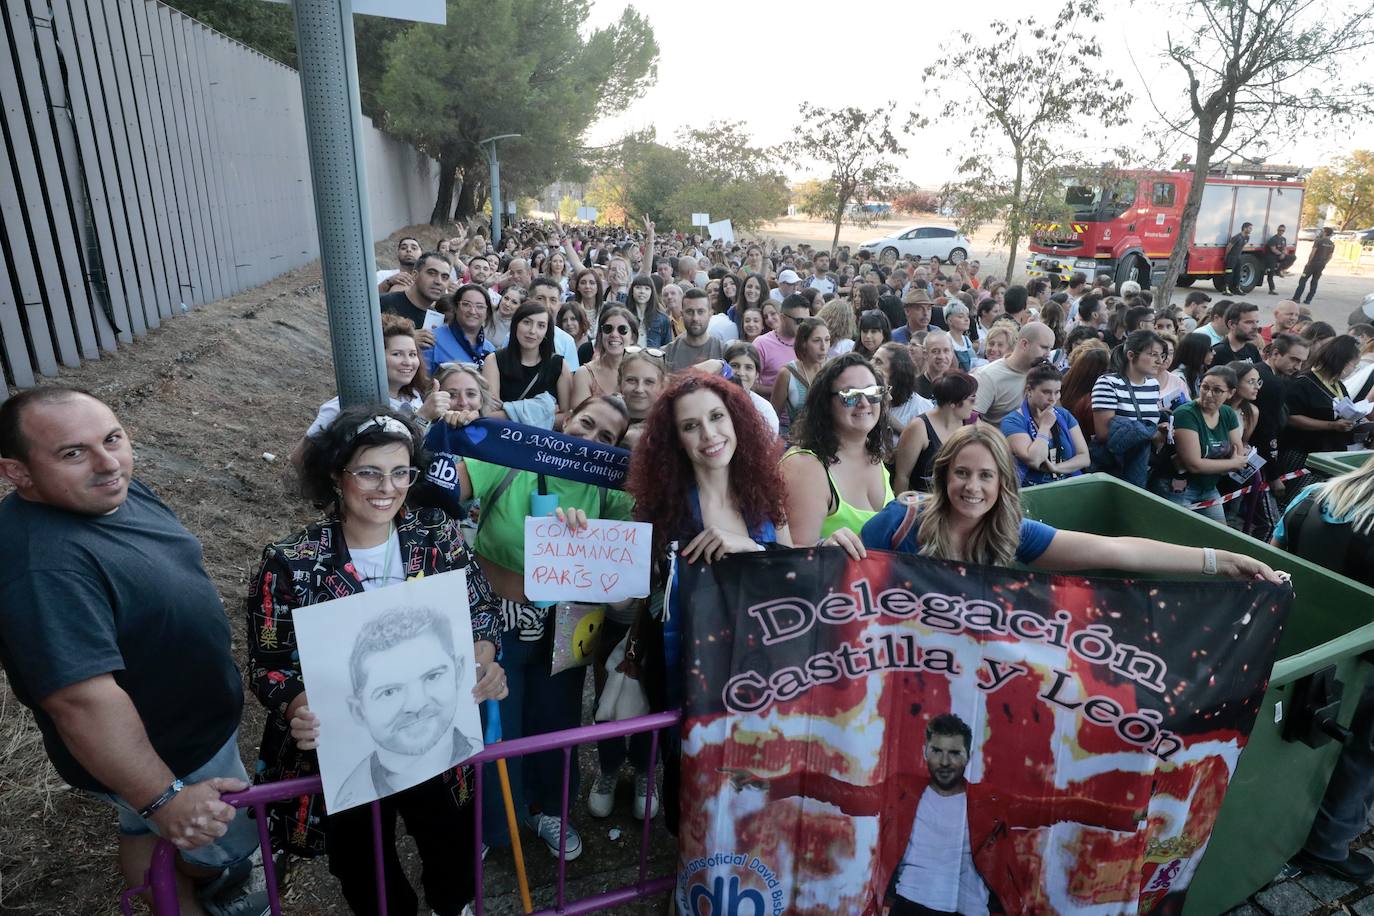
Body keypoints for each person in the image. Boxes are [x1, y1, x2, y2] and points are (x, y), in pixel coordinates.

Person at [0, 388, 267, 916]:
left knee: (141, 826)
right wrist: (164, 800)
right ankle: (198, 892)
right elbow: (80, 700)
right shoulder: (42, 568)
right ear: (18, 472)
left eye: (113, 439)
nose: (107, 464)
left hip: (188, 728)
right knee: (218, 844)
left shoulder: (106, 490)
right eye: (72, 452)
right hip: (168, 753)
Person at [248, 407, 505, 914]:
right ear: (335, 476)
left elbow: (482, 611)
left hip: (439, 740)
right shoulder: (291, 562)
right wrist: (297, 705)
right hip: (347, 754)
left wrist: (484, 656)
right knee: (366, 870)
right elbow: (269, 663)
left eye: (400, 471)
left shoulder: (437, 536)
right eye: (369, 471)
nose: (386, 487)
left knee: (452, 846)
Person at [421, 396, 633, 861]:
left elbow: (623, 580)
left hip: (571, 622)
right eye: (586, 423)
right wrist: (445, 433)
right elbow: (446, 487)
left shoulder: (611, 495)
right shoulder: (513, 458)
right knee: (494, 723)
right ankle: (492, 824)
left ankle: (548, 810)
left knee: (555, 722)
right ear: (565, 419)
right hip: (496, 618)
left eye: (606, 439)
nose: (590, 440)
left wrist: (588, 543)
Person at [726, 710, 1141, 916]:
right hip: (911, 904)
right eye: (937, 751)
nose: (944, 761)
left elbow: (1060, 808)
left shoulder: (992, 800)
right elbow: (837, 792)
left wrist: (1127, 817)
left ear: (967, 755)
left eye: (953, 752)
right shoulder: (901, 790)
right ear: (925, 751)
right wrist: (770, 784)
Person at [857, 424, 1284, 583]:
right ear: (945, 475)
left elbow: (1115, 551)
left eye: (986, 475)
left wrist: (1222, 560)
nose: (973, 487)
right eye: (962, 474)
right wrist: (834, 546)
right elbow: (835, 581)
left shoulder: (1010, 531)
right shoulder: (901, 522)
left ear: (1003, 483)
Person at [1273, 454, 1374, 882]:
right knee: (1363, 755)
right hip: (1364, 664)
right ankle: (1327, 844)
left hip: (1295, 645)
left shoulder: (1312, 495)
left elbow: (1274, 557)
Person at [294, 317, 450, 466]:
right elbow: (299, 458)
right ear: (374, 357)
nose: (408, 362)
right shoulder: (347, 404)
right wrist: (423, 417)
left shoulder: (414, 397)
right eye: (397, 354)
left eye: (412, 354)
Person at [779, 352, 895, 544]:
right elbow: (794, 557)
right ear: (825, 404)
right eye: (849, 395)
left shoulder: (873, 453)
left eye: (872, 392)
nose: (864, 403)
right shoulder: (804, 466)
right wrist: (824, 547)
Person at [1159, 365, 1246, 521]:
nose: (1208, 394)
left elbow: (1237, 451)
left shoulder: (1227, 413)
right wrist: (1231, 464)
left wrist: (1231, 461)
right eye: (1204, 387)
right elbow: (1194, 464)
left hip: (1209, 487)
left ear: (1231, 393)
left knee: (1219, 535)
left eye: (1217, 390)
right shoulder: (1186, 414)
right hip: (1179, 488)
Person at [1091, 329, 1167, 488]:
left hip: (1142, 462)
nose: (1159, 361)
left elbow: (1148, 423)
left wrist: (1159, 429)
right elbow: (1104, 433)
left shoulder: (1153, 385)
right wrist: (1151, 432)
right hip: (1114, 465)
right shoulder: (1108, 383)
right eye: (1153, 354)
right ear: (1131, 355)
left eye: (1162, 355)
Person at [481, 300, 572, 427]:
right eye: (527, 322)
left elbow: (567, 417)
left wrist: (508, 410)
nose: (532, 331)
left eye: (541, 325)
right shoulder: (494, 360)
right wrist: (543, 409)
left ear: (547, 331)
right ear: (516, 324)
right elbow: (490, 415)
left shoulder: (560, 365)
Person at [1279, 334, 1361, 472]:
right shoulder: (1303, 383)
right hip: (1302, 453)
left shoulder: (1338, 385)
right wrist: (1331, 425)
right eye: (1354, 365)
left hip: (1329, 452)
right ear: (1342, 362)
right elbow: (1292, 418)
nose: (1354, 370)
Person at [1000, 364, 1089, 487]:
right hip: (1032, 491)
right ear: (1029, 390)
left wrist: (1056, 468)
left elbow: (1084, 457)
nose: (1052, 399)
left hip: (1068, 486)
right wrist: (1045, 427)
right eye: (1046, 392)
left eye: (1057, 392)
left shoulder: (1064, 415)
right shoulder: (1012, 421)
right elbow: (1035, 460)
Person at [893, 371, 978, 493]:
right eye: (972, 398)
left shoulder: (972, 423)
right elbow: (902, 476)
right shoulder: (918, 428)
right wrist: (903, 509)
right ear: (953, 402)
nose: (975, 403)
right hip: (925, 503)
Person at [972, 323, 1055, 424]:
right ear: (1024, 344)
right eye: (1044, 347)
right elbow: (971, 420)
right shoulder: (988, 375)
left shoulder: (1043, 373)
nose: (1048, 354)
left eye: (1050, 349)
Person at [771, 317, 830, 438]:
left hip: (831, 442)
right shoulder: (787, 374)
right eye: (816, 340)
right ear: (803, 343)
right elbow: (773, 417)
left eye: (827, 340)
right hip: (800, 444)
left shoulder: (832, 370)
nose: (823, 347)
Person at [379, 251, 448, 350]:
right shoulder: (383, 303)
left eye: (444, 277)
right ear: (415, 275)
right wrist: (408, 340)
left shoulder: (435, 317)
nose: (438, 281)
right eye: (432, 273)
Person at [571, 306, 638, 404]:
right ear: (600, 335)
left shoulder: (643, 373)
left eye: (622, 329)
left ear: (632, 337)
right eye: (608, 329)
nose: (614, 334)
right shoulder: (585, 374)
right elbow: (580, 416)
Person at [426, 283, 496, 372]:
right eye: (466, 304)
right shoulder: (432, 339)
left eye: (480, 306)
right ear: (455, 307)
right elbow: (423, 382)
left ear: (487, 313)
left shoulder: (490, 349)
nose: (472, 311)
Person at [753, 294, 813, 396]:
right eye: (799, 321)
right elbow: (751, 385)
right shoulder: (761, 344)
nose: (804, 326)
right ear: (783, 318)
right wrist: (784, 389)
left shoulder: (810, 341)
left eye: (807, 321)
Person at [874, 342, 933, 444]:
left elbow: (927, 446)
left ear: (897, 371)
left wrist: (887, 417)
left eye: (878, 362)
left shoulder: (921, 407)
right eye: (873, 359)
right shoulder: (866, 400)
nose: (870, 365)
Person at [723, 340, 781, 434]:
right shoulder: (713, 401)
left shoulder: (764, 409)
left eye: (748, 367)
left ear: (757, 374)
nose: (741, 373)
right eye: (735, 366)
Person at [618, 347, 669, 450]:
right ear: (619, 381)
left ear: (663, 386)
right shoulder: (607, 417)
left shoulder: (669, 426)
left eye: (649, 382)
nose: (639, 389)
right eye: (631, 380)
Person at [663, 289, 726, 371]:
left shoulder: (724, 351)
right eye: (689, 312)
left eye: (700, 312)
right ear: (682, 315)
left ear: (710, 314)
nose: (695, 318)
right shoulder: (667, 353)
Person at [627, 275, 673, 348]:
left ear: (652, 292)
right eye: (638, 287)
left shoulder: (663, 319)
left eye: (647, 288)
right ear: (632, 290)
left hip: (653, 358)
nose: (642, 291)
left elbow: (668, 347)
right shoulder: (624, 316)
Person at [1294, 227, 1336, 305]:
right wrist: (1324, 263)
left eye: (1322, 231)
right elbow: (1330, 256)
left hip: (1312, 264)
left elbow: (1313, 252)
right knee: (1314, 282)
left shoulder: (1318, 241)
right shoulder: (1332, 244)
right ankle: (1308, 300)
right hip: (1321, 265)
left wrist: (1308, 262)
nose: (1321, 233)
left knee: (1303, 280)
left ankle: (1296, 298)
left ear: (1325, 233)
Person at [1172, 331, 1215, 399]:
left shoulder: (1199, 372)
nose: (1214, 352)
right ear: (1197, 351)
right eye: (1210, 349)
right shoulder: (1178, 377)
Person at [915, 330, 955, 400]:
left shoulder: (959, 385)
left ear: (952, 353)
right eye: (935, 351)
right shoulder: (914, 388)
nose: (941, 356)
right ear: (925, 354)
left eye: (946, 351)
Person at [1224, 222, 1252, 294]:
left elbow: (1242, 247)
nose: (1251, 230)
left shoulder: (1247, 238)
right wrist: (1226, 256)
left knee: (1238, 273)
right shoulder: (1237, 237)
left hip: (1238, 258)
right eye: (1250, 228)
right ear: (1245, 228)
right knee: (1229, 273)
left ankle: (1236, 289)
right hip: (1231, 258)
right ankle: (1226, 289)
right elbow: (1229, 247)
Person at [1263, 224, 1289, 294]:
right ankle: (1272, 290)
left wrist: (1283, 254)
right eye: (1280, 230)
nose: (1281, 232)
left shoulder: (1283, 239)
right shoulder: (1273, 239)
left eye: (1283, 230)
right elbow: (1273, 249)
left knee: (1292, 257)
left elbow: (1285, 249)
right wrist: (1281, 254)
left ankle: (1279, 270)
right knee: (1270, 273)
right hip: (1271, 257)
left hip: (1278, 256)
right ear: (1277, 230)